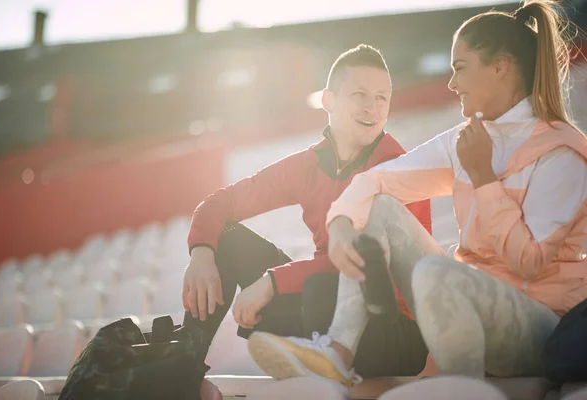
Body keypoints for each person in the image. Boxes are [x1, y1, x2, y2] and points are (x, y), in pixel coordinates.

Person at [247, 0, 587, 389]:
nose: (452, 83)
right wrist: (340, 226)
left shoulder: (562, 152)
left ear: (500, 67)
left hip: (542, 332)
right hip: (468, 307)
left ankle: (461, 388)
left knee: (438, 271)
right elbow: (374, 181)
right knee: (381, 208)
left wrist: (483, 177)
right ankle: (338, 351)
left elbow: (528, 262)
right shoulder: (468, 139)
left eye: (459, 68)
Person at [182, 44, 433, 378]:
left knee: (319, 291)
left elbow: (363, 261)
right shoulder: (310, 164)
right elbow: (221, 202)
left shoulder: (394, 167)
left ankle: (320, 365)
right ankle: (184, 370)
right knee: (225, 239)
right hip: (326, 309)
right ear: (328, 101)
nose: (372, 108)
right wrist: (201, 253)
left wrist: (273, 281)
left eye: (382, 98)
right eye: (360, 94)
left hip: (394, 326)